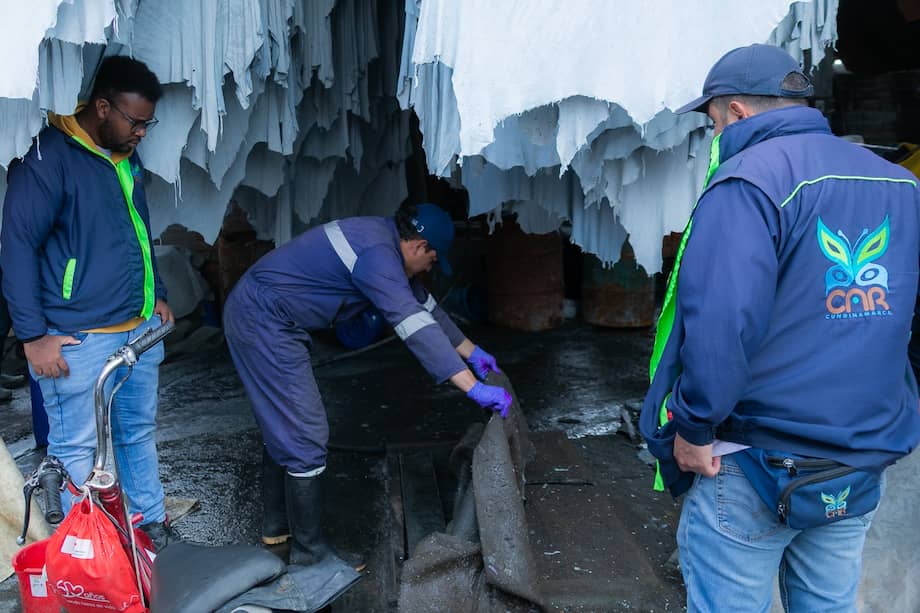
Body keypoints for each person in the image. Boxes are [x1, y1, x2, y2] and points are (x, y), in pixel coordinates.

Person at [639, 44, 920, 611]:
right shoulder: (900, 184)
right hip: (859, 455)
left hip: (754, 460)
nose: (713, 134)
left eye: (713, 120)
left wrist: (692, 429)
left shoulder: (747, 182)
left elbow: (722, 324)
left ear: (738, 113)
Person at [223, 201, 511, 567]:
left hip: (265, 314)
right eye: (433, 261)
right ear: (420, 248)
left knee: (285, 425)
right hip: (263, 320)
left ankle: (277, 527)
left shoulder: (384, 239)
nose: (429, 269)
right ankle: (311, 555)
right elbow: (411, 323)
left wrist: (473, 352)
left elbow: (427, 309)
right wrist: (472, 388)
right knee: (306, 432)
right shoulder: (378, 257)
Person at [1, 56, 177, 550]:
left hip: (137, 328)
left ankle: (150, 528)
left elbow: (139, 233)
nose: (143, 132)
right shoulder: (47, 157)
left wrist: (157, 294)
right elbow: (16, 245)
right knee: (78, 448)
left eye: (148, 122)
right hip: (79, 338)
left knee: (136, 433)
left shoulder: (123, 155)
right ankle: (94, 550)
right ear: (103, 107)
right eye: (136, 121)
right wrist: (33, 337)